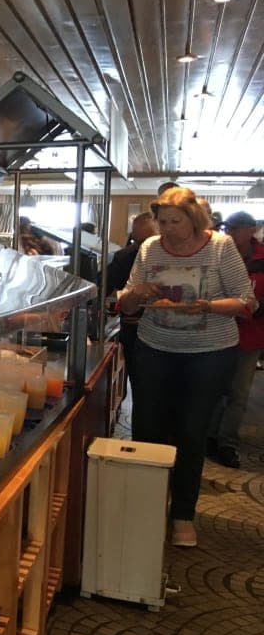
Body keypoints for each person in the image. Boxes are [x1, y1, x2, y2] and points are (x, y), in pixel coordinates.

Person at [118, 187, 255, 548]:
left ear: (194, 219)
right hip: (155, 347)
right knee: (147, 428)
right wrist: (137, 293)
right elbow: (127, 305)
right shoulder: (150, 248)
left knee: (191, 432)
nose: (167, 229)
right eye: (162, 222)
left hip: (209, 352)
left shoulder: (220, 246)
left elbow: (246, 301)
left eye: (175, 222)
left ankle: (182, 513)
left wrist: (207, 306)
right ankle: (147, 506)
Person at [208, 211, 264, 469]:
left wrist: (252, 308)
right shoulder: (219, 253)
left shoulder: (261, 259)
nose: (230, 233)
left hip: (249, 335)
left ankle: (227, 442)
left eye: (236, 228)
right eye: (228, 228)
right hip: (217, 332)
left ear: (251, 230)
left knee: (238, 393)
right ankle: (209, 436)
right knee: (213, 389)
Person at [105, 211, 158, 400]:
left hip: (173, 335)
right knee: (141, 384)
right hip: (133, 329)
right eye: (137, 241)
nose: (142, 247)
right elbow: (105, 286)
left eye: (146, 240)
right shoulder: (124, 256)